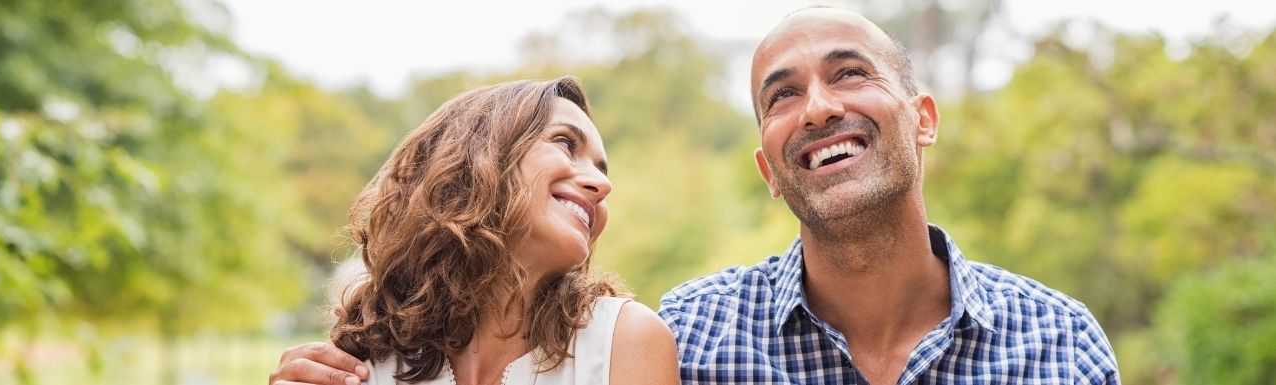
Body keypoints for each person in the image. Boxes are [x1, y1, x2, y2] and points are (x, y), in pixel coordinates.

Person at [271, 7, 1119, 385]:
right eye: (782, 95)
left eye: (849, 75)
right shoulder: (696, 332)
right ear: (768, 164)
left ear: (922, 119)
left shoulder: (1060, 342)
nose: (818, 106)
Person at [270, 77, 679, 385]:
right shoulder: (367, 352)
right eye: (565, 144)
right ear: (479, 160)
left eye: (602, 169)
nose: (601, 184)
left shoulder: (624, 341)